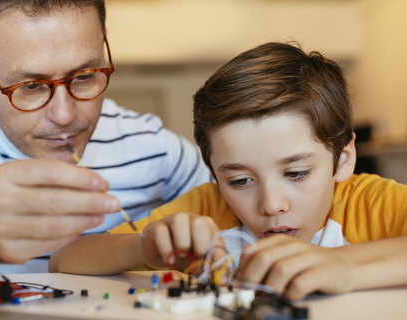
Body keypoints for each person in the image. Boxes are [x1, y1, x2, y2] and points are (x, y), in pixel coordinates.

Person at [49, 42, 407, 300]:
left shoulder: (372, 204)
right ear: (216, 176)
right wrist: (143, 247)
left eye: (296, 173)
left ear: (342, 160)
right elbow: (63, 260)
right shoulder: (208, 209)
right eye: (240, 181)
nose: (271, 204)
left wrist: (342, 265)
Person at [0, 0, 211, 279]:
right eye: (32, 86)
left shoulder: (155, 151)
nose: (64, 115)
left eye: (84, 75)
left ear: (103, 48)